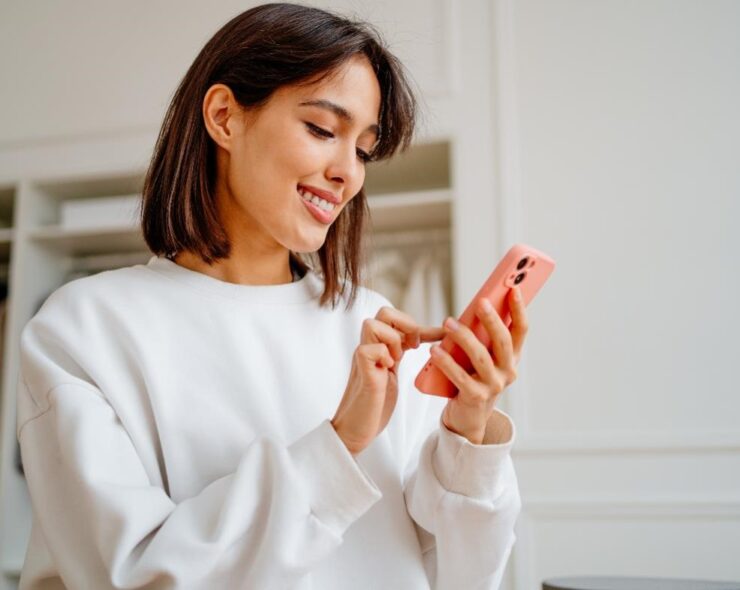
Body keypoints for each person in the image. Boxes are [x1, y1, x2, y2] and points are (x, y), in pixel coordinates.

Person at [16, 3, 527, 589]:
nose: (347, 173)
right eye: (321, 129)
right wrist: (342, 444)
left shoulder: (374, 326)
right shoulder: (84, 329)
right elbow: (138, 575)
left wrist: (467, 432)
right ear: (225, 116)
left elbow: (465, 575)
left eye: (362, 149)